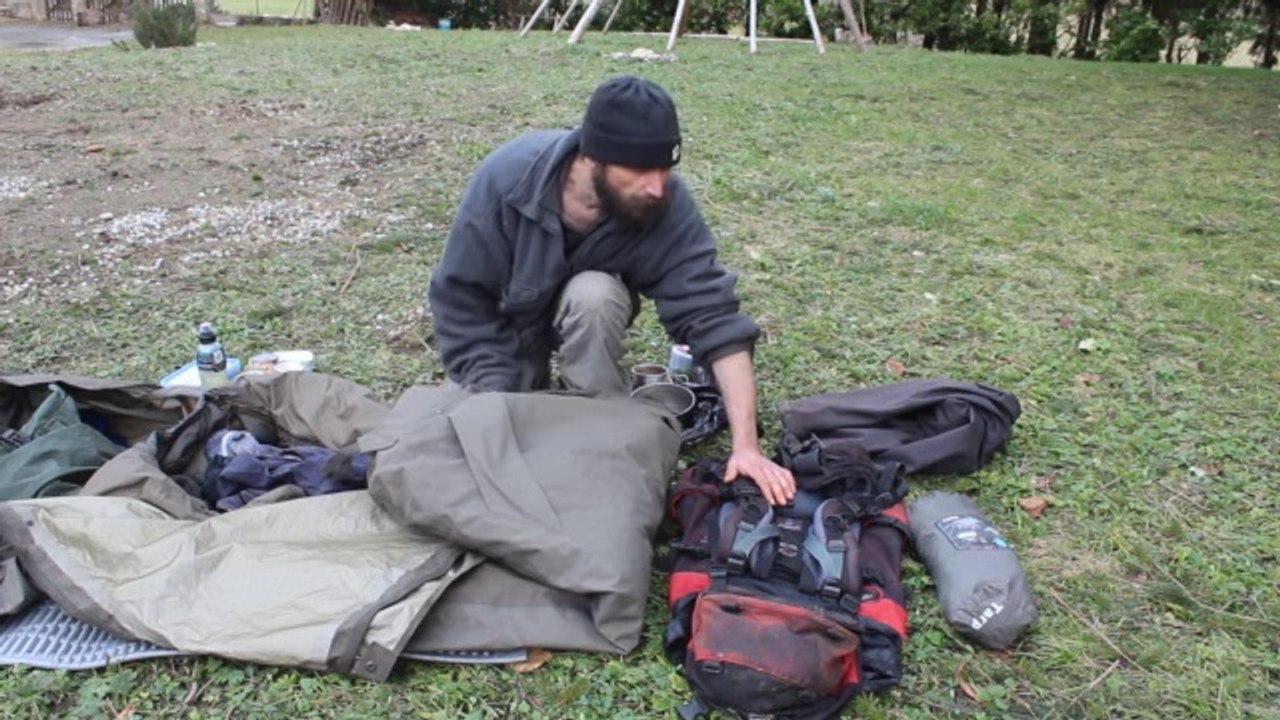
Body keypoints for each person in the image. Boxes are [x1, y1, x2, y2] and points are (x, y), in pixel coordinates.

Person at [428, 75, 795, 505]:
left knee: (595, 294)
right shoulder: (506, 180)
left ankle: (596, 412)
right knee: (472, 444)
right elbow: (461, 301)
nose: (657, 186)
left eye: (665, 168)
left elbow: (714, 318)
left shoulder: (664, 202)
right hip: (507, 332)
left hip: (588, 315)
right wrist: (495, 397)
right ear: (592, 157)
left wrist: (746, 447)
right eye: (639, 170)